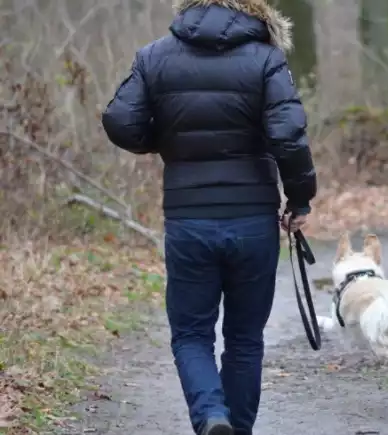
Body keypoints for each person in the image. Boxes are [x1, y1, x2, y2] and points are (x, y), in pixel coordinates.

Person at [101, 1, 317, 434]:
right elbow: (287, 135)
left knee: (191, 334)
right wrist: (300, 198)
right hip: (253, 218)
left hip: (188, 218)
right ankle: (234, 428)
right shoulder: (267, 58)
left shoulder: (155, 55)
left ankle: (210, 417)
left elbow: (120, 119)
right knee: (244, 338)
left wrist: (167, 143)